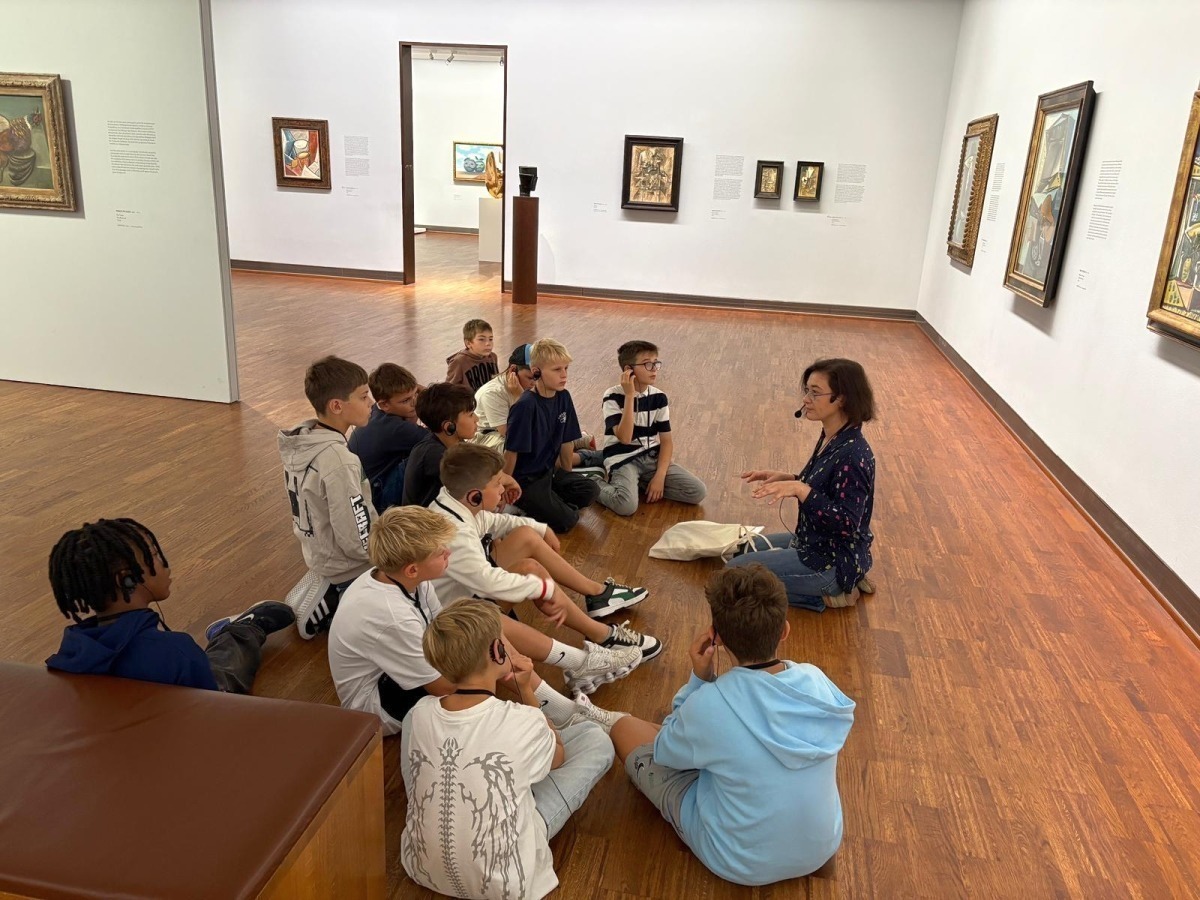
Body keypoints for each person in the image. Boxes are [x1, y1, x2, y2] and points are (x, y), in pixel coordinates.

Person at [610, 565, 855, 886]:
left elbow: (665, 753)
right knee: (702, 740)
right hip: (822, 846)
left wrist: (699, 679)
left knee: (624, 728)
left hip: (741, 863)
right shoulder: (817, 681)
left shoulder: (710, 703)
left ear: (718, 638)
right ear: (784, 630)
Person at [328, 506, 625, 734]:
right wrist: (499, 664)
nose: (449, 552)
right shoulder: (392, 618)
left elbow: (447, 625)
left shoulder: (405, 578)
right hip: (378, 706)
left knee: (483, 621)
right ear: (412, 569)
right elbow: (443, 687)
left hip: (403, 669)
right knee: (485, 659)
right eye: (440, 552)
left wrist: (497, 652)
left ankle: (574, 673)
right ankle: (561, 708)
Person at [401, 598, 615, 900]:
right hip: (507, 885)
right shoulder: (520, 719)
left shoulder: (419, 713)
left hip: (421, 868)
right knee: (596, 740)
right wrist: (525, 688)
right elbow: (558, 757)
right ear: (497, 651)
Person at [431, 443, 661, 690]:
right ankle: (589, 652)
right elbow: (490, 583)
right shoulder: (455, 534)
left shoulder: (454, 503)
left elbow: (495, 521)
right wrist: (544, 589)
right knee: (499, 611)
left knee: (528, 549)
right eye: (497, 484)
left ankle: (599, 628)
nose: (503, 489)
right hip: (453, 625)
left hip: (464, 601)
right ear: (474, 496)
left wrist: (540, 528)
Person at [45, 517, 294, 692]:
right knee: (226, 673)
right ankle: (244, 628)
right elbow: (213, 703)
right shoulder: (175, 651)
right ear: (126, 579)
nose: (165, 565)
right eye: (154, 555)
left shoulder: (73, 646)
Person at [733, 357, 877, 611]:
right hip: (811, 542)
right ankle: (846, 580)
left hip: (830, 560)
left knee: (734, 576)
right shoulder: (833, 436)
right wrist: (790, 479)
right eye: (807, 391)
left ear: (842, 399)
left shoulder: (853, 455)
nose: (806, 399)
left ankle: (832, 593)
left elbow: (847, 523)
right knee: (739, 552)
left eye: (815, 393)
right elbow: (825, 487)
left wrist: (801, 489)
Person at [279, 355, 377, 636]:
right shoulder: (339, 460)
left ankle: (327, 581)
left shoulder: (303, 442)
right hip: (350, 563)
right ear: (337, 406)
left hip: (319, 550)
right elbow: (353, 535)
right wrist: (382, 556)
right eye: (363, 396)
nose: (371, 402)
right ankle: (335, 596)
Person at [596, 340, 707, 516]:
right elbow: (625, 438)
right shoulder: (612, 396)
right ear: (628, 370)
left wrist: (660, 477)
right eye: (648, 364)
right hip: (622, 458)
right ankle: (591, 481)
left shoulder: (659, 397)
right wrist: (630, 396)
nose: (654, 369)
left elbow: (666, 441)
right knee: (626, 507)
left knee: (697, 492)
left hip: (651, 457)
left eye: (656, 363)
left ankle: (639, 483)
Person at [503, 338, 599, 533]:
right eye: (557, 370)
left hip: (549, 473)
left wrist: (567, 477)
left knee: (591, 491)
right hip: (527, 481)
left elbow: (566, 442)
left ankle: (549, 504)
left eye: (566, 368)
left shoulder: (564, 397)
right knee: (568, 521)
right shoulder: (525, 406)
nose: (564, 375)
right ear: (536, 371)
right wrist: (506, 487)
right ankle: (523, 506)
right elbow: (511, 453)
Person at [348, 363, 425, 511]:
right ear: (384, 404)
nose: (414, 402)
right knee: (426, 454)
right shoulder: (395, 428)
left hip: (364, 491)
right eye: (406, 400)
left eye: (416, 394)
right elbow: (440, 440)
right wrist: (429, 395)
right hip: (376, 499)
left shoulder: (376, 412)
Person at [402, 382, 479, 507]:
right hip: (428, 518)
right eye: (470, 415)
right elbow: (476, 485)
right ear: (449, 426)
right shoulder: (435, 455)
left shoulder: (453, 443)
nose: (477, 419)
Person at [472, 344, 537, 452]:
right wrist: (520, 397)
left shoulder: (533, 384)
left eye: (537, 377)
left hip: (512, 432)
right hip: (487, 436)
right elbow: (511, 434)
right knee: (525, 446)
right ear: (513, 370)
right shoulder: (492, 393)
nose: (534, 383)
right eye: (530, 378)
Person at [445, 317, 499, 392]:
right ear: (468, 343)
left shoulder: (493, 357)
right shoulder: (458, 362)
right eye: (481, 339)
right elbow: (449, 391)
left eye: (490, 339)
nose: (488, 343)